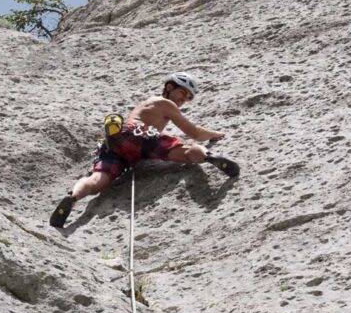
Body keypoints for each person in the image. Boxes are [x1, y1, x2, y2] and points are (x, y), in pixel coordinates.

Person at [50, 72, 240, 228]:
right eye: (183, 92)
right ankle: (209, 157)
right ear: (169, 87)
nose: (184, 99)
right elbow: (195, 132)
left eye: (188, 98)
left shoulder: (146, 106)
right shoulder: (164, 103)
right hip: (140, 133)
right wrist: (217, 134)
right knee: (185, 152)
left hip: (116, 144)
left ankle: (73, 197)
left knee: (97, 180)